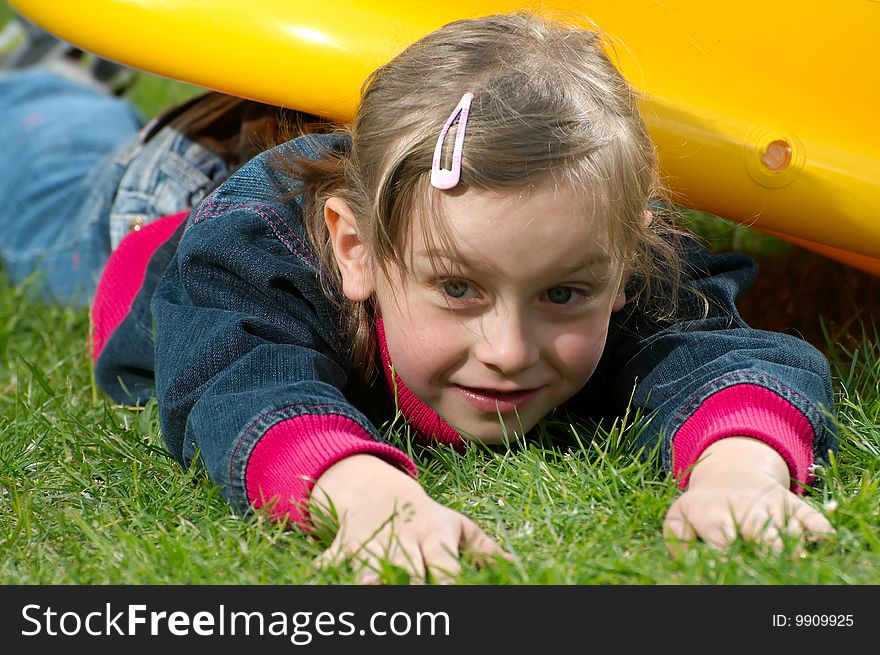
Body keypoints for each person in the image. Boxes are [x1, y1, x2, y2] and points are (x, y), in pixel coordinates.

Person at [1, 11, 838, 584]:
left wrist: (740, 476)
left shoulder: (582, 234)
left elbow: (722, 355)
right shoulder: (255, 262)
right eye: (457, 288)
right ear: (357, 252)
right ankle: (44, 84)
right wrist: (371, 496)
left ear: (625, 260)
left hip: (377, 166)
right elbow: (238, 376)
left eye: (564, 294)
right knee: (49, 185)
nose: (509, 348)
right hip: (186, 193)